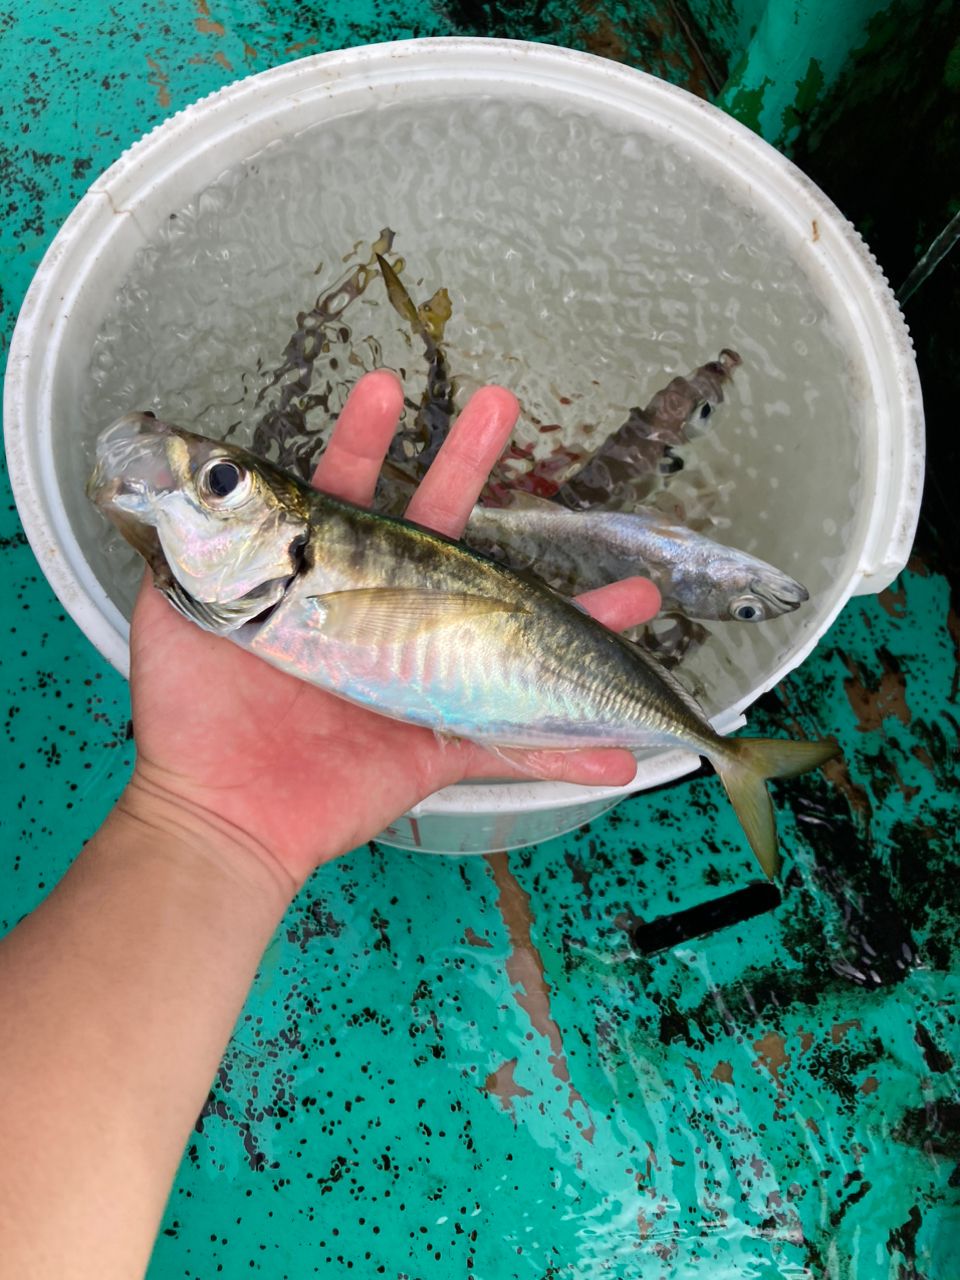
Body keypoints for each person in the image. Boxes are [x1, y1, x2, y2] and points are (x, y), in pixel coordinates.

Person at [0, 371, 660, 1278]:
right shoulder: (259, 585)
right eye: (217, 483)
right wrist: (205, 815)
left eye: (220, 484)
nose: (194, 490)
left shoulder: (304, 563)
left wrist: (202, 822)